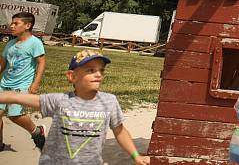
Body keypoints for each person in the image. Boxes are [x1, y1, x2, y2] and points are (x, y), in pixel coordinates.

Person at [0, 49, 149, 163]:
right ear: (72, 76)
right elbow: (16, 97)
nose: (98, 74)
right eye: (90, 70)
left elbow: (120, 131)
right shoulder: (60, 101)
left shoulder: (109, 101)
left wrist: (136, 156)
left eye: (101, 70)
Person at [0, 11, 46, 152]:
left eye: (16, 23)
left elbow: (41, 62)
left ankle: (36, 131)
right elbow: (3, 63)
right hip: (4, 84)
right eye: (12, 23)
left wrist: (35, 83)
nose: (11, 26)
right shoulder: (11, 44)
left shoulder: (35, 43)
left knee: (15, 115)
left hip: (21, 85)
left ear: (27, 25)